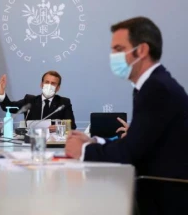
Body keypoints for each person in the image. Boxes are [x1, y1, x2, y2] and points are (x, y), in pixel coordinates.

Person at [65, 17, 188, 214]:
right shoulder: (152, 85)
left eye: (119, 49)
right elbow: (134, 142)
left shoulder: (156, 88)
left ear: (142, 50)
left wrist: (84, 151)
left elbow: (129, 153)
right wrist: (94, 141)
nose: (113, 56)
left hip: (164, 196)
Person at [0, 70, 76, 129]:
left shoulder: (63, 103)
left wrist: (58, 127)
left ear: (58, 88)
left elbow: (72, 126)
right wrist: (1, 91)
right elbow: (8, 107)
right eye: (47, 82)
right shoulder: (30, 100)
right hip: (31, 141)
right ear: (41, 84)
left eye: (53, 83)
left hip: (54, 142)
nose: (49, 85)